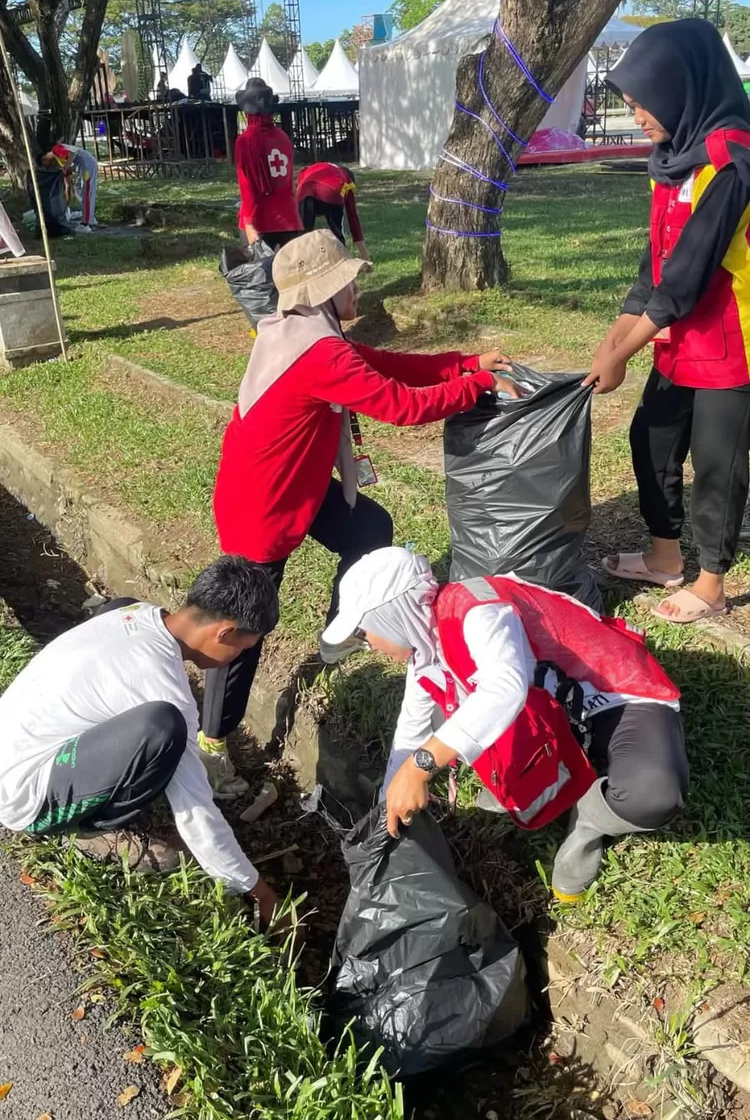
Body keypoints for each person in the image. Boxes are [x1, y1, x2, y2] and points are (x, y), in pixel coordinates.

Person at [199, 230, 519, 793]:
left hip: (291, 487)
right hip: (263, 507)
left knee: (369, 528)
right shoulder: (318, 351)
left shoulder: (301, 332)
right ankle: (213, 746)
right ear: (325, 291)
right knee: (244, 628)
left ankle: (341, 631)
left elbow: (382, 364)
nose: (357, 290)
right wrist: (479, 385)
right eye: (350, 280)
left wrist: (462, 362)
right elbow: (400, 405)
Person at [320, 547, 689, 901]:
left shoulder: (477, 610)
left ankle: (589, 824)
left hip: (613, 697)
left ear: (392, 616)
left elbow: (503, 689)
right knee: (474, 729)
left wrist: (420, 768)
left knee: (652, 795)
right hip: (556, 712)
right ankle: (565, 773)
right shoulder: (426, 655)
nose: (370, 643)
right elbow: (411, 730)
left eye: (367, 632)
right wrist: (389, 803)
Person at [0, 556, 285, 927]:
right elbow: (197, 812)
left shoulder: (132, 614)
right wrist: (258, 890)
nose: (238, 658)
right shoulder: (165, 690)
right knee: (161, 727)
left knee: (157, 726)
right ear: (225, 633)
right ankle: (93, 831)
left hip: (16, 749)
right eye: (243, 649)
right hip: (24, 798)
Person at [583, 20, 750, 625]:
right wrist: (612, 339)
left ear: (679, 86)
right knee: (650, 437)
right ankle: (663, 556)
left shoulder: (730, 158)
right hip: (678, 337)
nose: (637, 116)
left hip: (732, 337)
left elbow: (686, 276)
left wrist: (622, 353)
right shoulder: (672, 159)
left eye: (641, 102)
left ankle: (710, 583)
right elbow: (652, 267)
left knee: (717, 462)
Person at [234, 78, 302, 250]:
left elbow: (247, 185)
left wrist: (249, 223)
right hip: (289, 219)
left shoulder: (245, 140)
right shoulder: (283, 137)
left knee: (259, 276)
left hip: (260, 219)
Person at [297, 163, 370, 261]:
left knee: (302, 234)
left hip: (304, 189)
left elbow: (301, 179)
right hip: (331, 190)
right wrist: (364, 255)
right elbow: (353, 218)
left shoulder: (313, 168)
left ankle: (300, 262)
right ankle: (342, 261)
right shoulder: (346, 179)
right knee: (337, 233)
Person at [39, 140, 99, 232]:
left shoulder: (56, 149)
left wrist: (66, 166)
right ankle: (89, 216)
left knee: (87, 192)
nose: (48, 167)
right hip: (82, 167)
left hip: (87, 165)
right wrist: (66, 205)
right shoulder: (59, 160)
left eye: (45, 165)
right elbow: (68, 183)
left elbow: (72, 155)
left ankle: (86, 224)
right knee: (78, 189)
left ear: (44, 159)